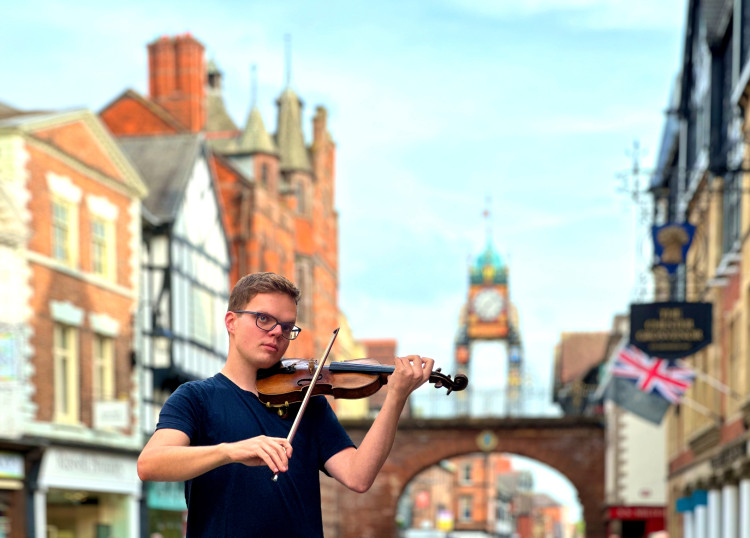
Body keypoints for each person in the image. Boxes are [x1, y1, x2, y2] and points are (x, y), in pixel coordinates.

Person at [137, 272, 434, 537]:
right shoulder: (195, 398)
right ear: (231, 322)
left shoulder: (307, 403)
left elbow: (358, 476)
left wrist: (396, 397)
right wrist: (231, 451)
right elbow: (150, 464)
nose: (277, 332)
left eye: (287, 325)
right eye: (263, 319)